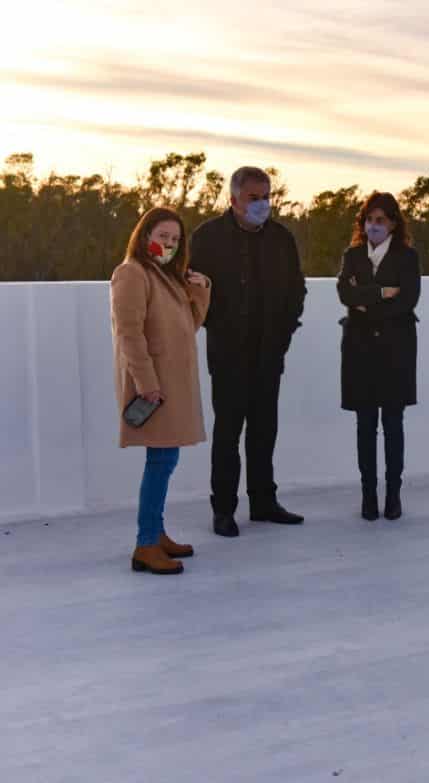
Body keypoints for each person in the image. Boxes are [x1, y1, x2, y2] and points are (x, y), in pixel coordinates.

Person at [189, 166, 307, 537]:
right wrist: (219, 328)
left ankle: (263, 502)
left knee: (264, 430)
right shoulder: (207, 238)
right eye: (253, 198)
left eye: (266, 197)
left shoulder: (281, 238)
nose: (261, 204)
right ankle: (223, 509)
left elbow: (296, 291)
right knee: (228, 433)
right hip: (227, 354)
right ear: (234, 200)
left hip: (269, 352)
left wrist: (283, 335)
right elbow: (193, 292)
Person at [110, 207, 212, 574]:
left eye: (174, 239)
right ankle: (146, 544)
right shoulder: (132, 273)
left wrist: (199, 291)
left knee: (165, 461)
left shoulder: (165, 277)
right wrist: (146, 383)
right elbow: (129, 333)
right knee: (160, 462)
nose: (168, 244)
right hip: (156, 387)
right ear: (144, 236)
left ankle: (156, 532)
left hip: (173, 384)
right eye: (162, 236)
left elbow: (191, 324)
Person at [337, 192, 421, 521]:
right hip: (359, 349)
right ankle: (368, 495)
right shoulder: (353, 255)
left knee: (393, 423)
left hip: (396, 350)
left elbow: (408, 300)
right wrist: (382, 292)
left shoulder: (407, 257)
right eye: (370, 219)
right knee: (365, 424)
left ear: (393, 224)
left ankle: (393, 495)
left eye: (381, 220)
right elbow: (345, 292)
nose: (374, 225)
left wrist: (365, 300)